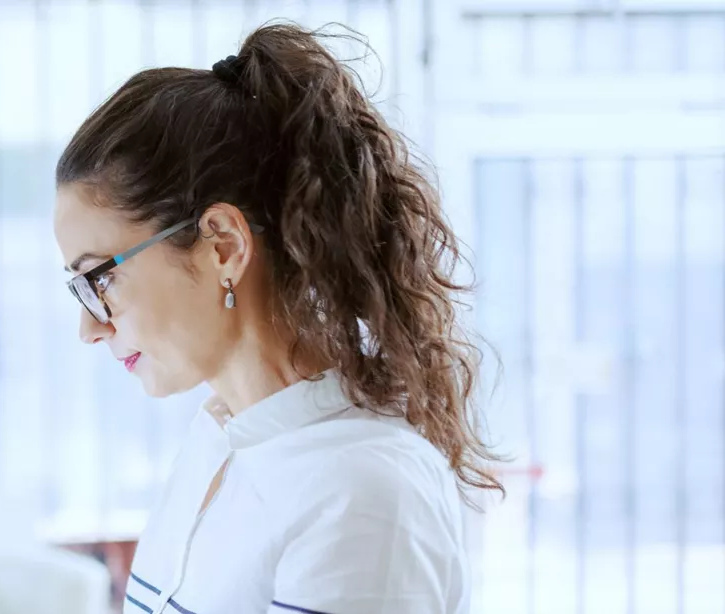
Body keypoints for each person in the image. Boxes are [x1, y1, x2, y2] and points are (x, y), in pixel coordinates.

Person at [52, 22, 501, 614]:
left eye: (100, 278)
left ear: (222, 247)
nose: (90, 327)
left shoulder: (360, 492)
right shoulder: (217, 439)